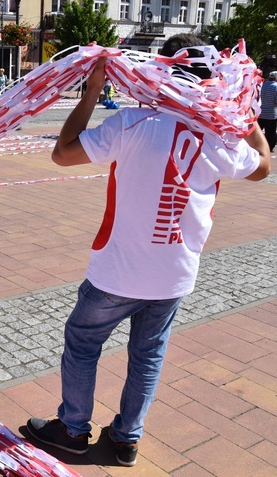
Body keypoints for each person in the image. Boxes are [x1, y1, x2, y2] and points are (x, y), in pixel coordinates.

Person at [20, 34, 271, 467]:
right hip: (173, 274)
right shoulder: (219, 135)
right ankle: (127, 439)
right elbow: (263, 167)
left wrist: (92, 92)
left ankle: (74, 429)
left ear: (161, 70)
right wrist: (246, 117)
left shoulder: (134, 122)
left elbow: (63, 153)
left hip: (117, 271)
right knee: (148, 354)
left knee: (82, 343)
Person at [258, 71, 277, 152]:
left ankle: (258, 147)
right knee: (270, 134)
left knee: (259, 133)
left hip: (260, 113)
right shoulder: (276, 87)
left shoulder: (263, 85)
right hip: (271, 114)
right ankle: (268, 149)